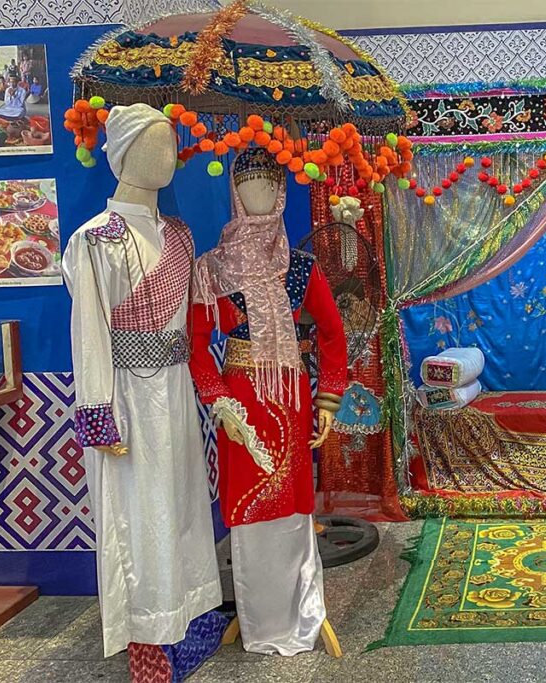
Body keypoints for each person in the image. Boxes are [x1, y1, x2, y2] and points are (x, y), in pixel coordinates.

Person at [62, 103, 226, 680]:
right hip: (129, 401)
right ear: (123, 152)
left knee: (182, 508)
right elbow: (89, 336)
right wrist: (99, 415)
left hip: (177, 393)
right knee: (144, 517)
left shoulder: (179, 234)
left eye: (170, 141)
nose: (168, 154)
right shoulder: (93, 242)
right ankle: (153, 640)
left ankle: (196, 623)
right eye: (156, 143)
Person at [189, 148, 348, 656]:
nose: (258, 195)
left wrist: (328, 400)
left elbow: (332, 333)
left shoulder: (300, 267)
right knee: (248, 504)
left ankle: (302, 611)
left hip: (292, 398)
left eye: (267, 184)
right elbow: (195, 350)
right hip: (240, 405)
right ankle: (259, 617)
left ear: (282, 193)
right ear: (234, 194)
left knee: (295, 502)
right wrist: (219, 402)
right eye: (247, 184)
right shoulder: (211, 269)